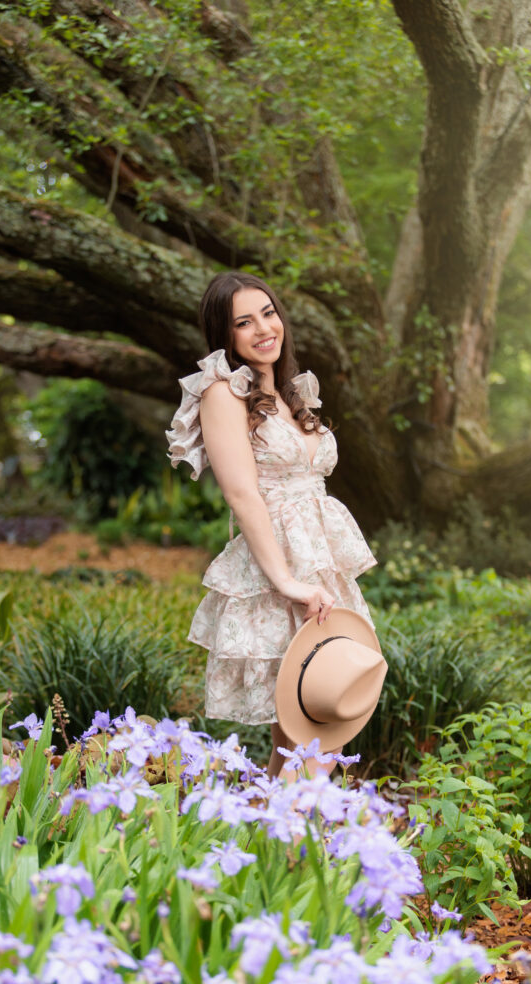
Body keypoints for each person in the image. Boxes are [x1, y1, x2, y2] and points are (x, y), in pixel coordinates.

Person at [166, 271, 378, 778]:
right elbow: (241, 493)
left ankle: (273, 834)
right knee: (312, 725)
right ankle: (286, 837)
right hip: (278, 566)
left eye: (268, 312)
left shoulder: (289, 393)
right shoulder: (223, 393)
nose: (264, 327)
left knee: (312, 721)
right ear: (225, 334)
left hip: (321, 562)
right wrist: (287, 580)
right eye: (244, 321)